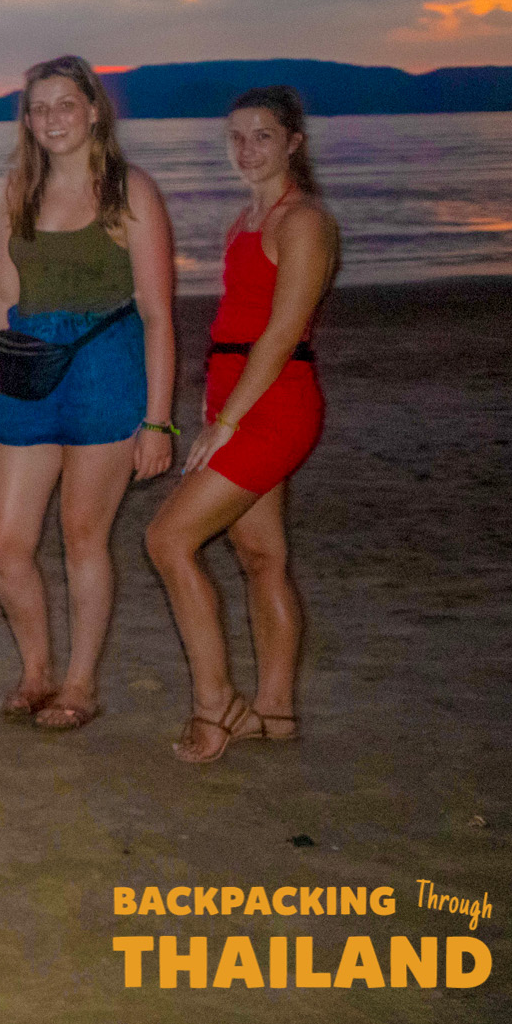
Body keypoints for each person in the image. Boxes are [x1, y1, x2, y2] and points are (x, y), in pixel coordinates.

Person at [0, 55, 176, 733]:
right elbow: (2, 295)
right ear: (27, 120)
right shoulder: (15, 190)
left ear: (93, 110)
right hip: (27, 367)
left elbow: (156, 313)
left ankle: (80, 681)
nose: (52, 118)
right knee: (6, 542)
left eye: (66, 104)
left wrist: (159, 421)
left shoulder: (130, 191)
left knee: (83, 535)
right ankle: (36, 668)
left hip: (105, 366)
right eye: (39, 108)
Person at [145, 87, 335, 761]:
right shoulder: (244, 219)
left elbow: (282, 333)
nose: (246, 149)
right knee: (261, 556)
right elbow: (238, 323)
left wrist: (225, 421)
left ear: (293, 143)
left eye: (262, 136)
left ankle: (216, 704)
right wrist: (213, 405)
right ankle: (276, 712)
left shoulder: (304, 220)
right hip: (236, 394)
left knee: (167, 538)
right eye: (237, 137)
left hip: (274, 403)